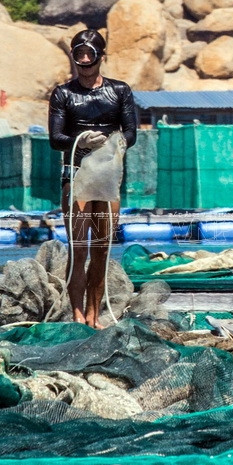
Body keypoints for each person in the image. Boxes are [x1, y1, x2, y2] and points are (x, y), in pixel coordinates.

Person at [48, 28, 138, 327]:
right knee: (79, 249)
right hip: (76, 177)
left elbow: (131, 133)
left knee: (101, 251)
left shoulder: (121, 91)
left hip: (107, 178)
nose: (85, 60)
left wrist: (112, 143)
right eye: (79, 54)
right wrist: (81, 140)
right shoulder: (63, 93)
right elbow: (55, 138)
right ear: (74, 57)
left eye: (90, 54)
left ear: (101, 57)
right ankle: (76, 314)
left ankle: (93, 315)